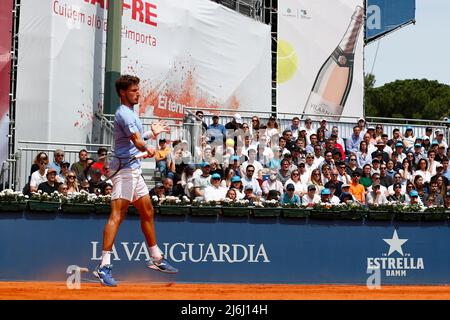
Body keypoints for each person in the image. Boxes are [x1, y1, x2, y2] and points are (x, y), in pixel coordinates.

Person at [94, 75, 177, 287]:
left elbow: (136, 139)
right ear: (123, 93)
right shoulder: (124, 113)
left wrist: (150, 134)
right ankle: (103, 266)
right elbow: (137, 142)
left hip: (134, 169)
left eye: (138, 89)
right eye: (134, 90)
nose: (138, 93)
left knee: (147, 211)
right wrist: (146, 147)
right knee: (117, 216)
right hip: (124, 171)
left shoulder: (130, 113)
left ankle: (156, 258)